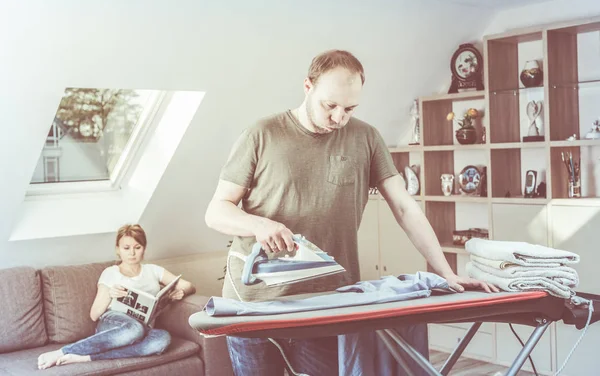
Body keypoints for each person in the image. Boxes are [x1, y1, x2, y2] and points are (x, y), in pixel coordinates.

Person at [204, 49, 499, 375]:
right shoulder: (261, 135)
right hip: (255, 304)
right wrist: (259, 225)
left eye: (349, 108)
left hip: (330, 301)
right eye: (330, 106)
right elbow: (217, 212)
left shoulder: (366, 138)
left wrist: (447, 272)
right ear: (308, 86)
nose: (339, 118)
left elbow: (405, 208)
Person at [37, 224, 196, 370]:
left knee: (162, 339)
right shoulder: (111, 273)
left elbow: (188, 285)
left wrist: (180, 292)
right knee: (134, 329)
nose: (132, 253)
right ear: (118, 249)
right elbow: (94, 315)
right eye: (126, 248)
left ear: (144, 249)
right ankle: (63, 351)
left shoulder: (153, 270)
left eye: (137, 247)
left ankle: (88, 357)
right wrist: (111, 294)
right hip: (113, 322)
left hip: (144, 326)